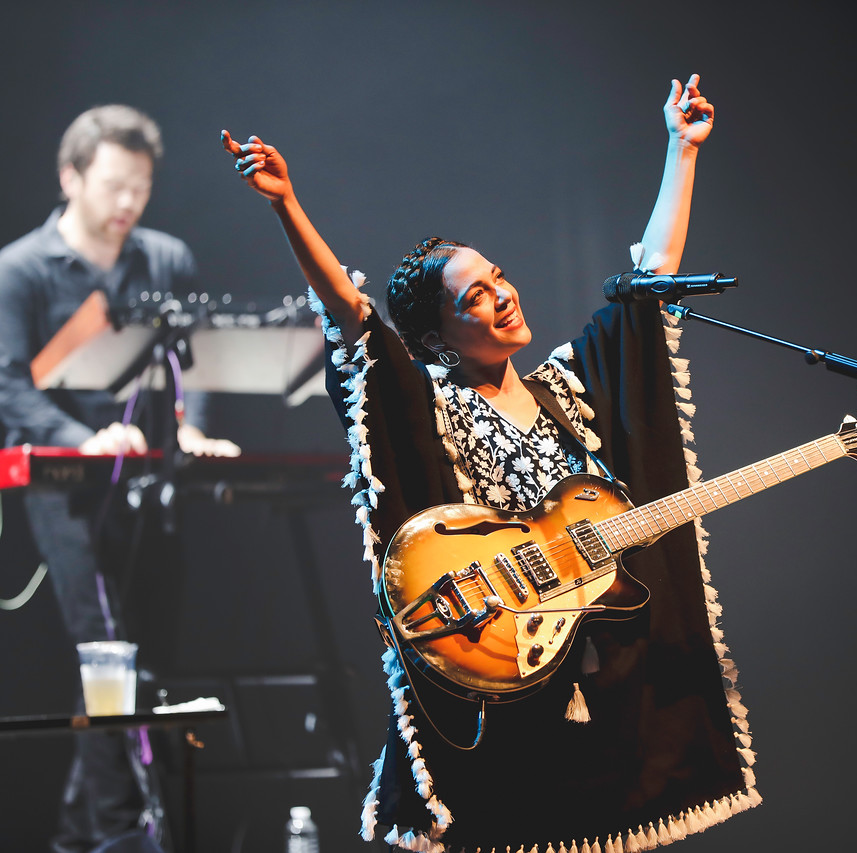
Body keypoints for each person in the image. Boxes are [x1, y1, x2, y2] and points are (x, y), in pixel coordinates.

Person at [221, 74, 759, 853]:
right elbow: (356, 322)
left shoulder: (565, 393)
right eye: (473, 296)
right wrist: (285, 204)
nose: (501, 296)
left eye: (497, 278)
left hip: (585, 680)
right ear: (439, 336)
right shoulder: (432, 409)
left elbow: (644, 298)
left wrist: (681, 148)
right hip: (497, 686)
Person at [0, 104, 237, 853]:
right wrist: (82, 437)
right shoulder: (21, 269)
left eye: (141, 187)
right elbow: (9, 384)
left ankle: (80, 838)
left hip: (146, 480)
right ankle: (119, 831)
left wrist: (191, 426)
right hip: (62, 485)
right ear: (71, 178)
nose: (129, 203)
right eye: (113, 186)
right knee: (103, 648)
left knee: (147, 651)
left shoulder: (164, 256)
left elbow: (191, 360)